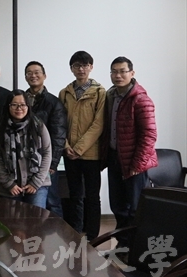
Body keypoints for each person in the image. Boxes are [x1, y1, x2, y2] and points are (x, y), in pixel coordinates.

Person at [101, 56, 157, 248]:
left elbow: (149, 135)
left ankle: (137, 248)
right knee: (118, 206)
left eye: (122, 71)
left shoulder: (141, 99)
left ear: (132, 73)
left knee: (135, 208)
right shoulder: (110, 96)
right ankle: (123, 244)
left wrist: (137, 164)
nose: (118, 75)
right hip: (115, 158)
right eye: (114, 72)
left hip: (134, 162)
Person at [59, 51, 106, 241]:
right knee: (75, 194)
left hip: (91, 154)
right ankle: (76, 231)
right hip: (69, 153)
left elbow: (98, 124)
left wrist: (79, 148)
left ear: (91, 67)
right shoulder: (65, 93)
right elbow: (60, 123)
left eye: (85, 65)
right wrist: (66, 146)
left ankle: (93, 236)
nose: (81, 69)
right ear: (71, 68)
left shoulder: (100, 92)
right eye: (77, 65)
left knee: (93, 196)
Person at [0, 90, 52, 208]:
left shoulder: (38, 125)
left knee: (36, 218)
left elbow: (47, 153)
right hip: (8, 186)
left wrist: (36, 182)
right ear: (8, 106)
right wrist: (8, 183)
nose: (19, 108)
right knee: (11, 219)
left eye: (23, 105)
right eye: (14, 105)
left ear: (28, 106)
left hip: (37, 185)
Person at [24, 61, 67, 216]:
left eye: (37, 72)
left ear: (44, 76)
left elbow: (59, 135)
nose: (33, 76)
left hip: (46, 162)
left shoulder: (53, 102)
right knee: (30, 203)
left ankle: (57, 231)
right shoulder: (21, 100)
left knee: (52, 201)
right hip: (26, 161)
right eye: (29, 73)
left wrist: (53, 163)